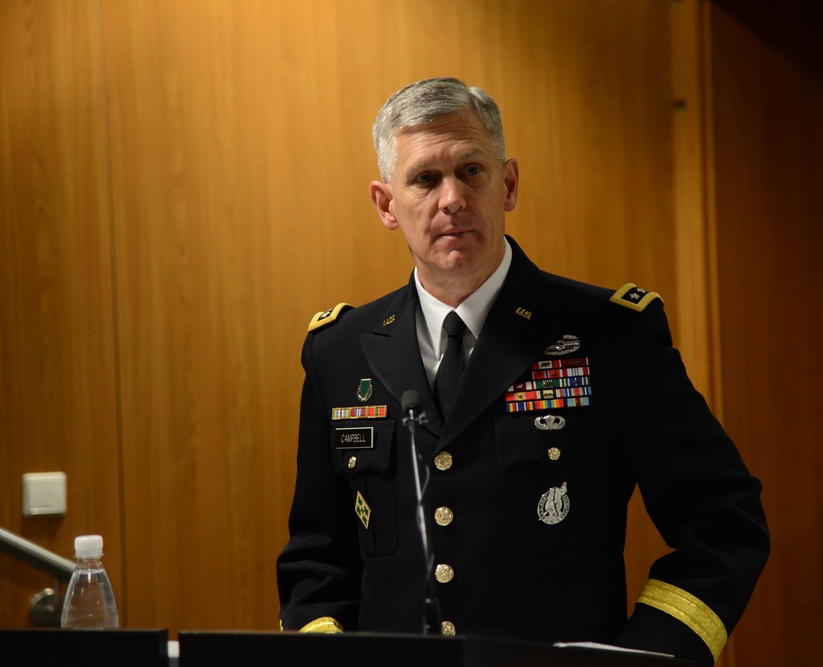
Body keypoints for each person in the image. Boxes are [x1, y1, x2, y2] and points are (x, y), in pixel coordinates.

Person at [276, 77, 769, 667]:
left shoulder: (609, 335)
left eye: (472, 172)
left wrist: (644, 657)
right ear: (387, 204)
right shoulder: (341, 352)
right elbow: (316, 556)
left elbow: (724, 522)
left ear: (507, 184)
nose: (452, 198)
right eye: (426, 178)